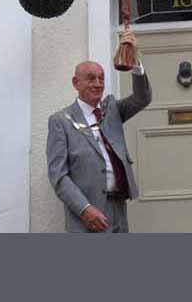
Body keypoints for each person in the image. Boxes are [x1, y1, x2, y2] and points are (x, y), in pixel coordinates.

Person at [46, 29, 152, 233]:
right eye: (91, 78)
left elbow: (142, 98)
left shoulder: (112, 110)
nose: (98, 84)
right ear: (76, 83)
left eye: (101, 79)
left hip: (118, 207)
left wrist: (134, 62)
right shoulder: (60, 121)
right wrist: (84, 209)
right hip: (87, 214)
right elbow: (58, 176)